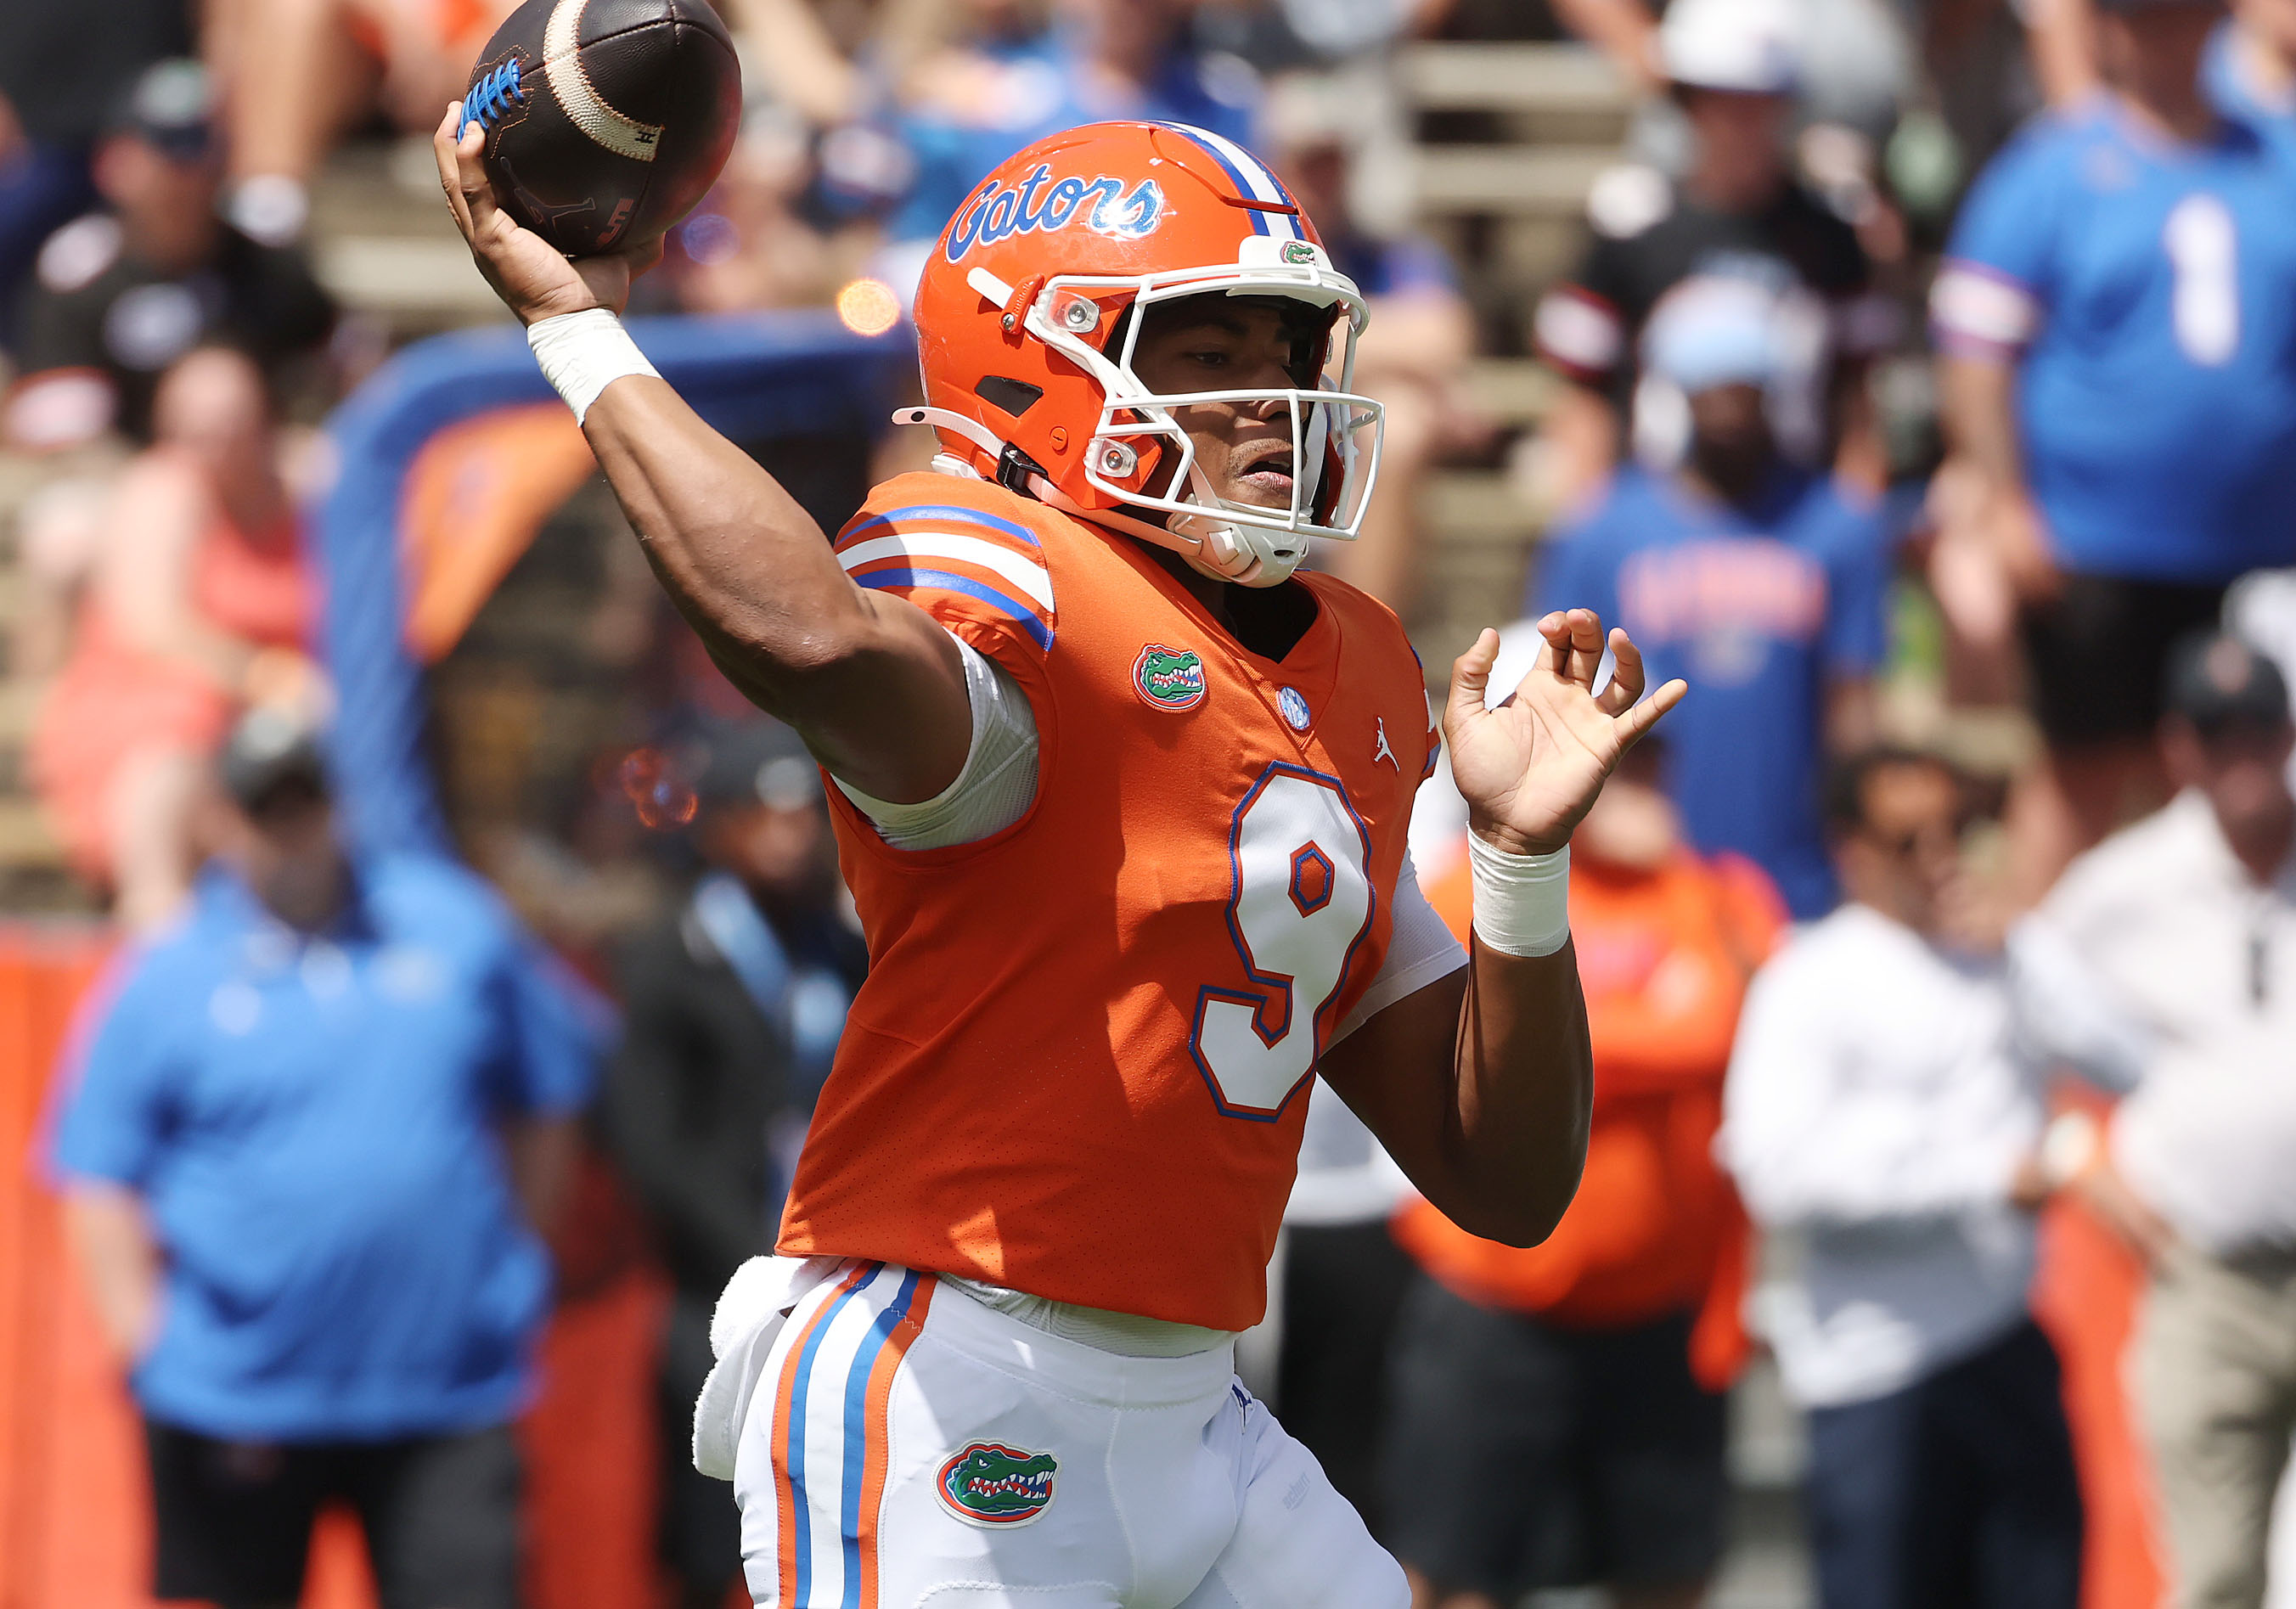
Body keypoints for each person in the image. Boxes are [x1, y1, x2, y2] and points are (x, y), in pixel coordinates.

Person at [436, 105, 1683, 1604]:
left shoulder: (1347, 670)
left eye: (1284, 356)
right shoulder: (996, 567)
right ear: (1035, 360)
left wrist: (1514, 863)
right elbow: (807, 636)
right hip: (944, 1368)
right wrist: (580, 336)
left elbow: (1500, 1178)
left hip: (1198, 1406)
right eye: (1206, 356)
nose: (1268, 402)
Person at [48, 708, 598, 1609]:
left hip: (445, 1382)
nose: (291, 828)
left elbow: (548, 1095)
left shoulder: (451, 923)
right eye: (266, 807)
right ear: (222, 820)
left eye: (307, 800)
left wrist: (519, 1259)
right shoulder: (167, 973)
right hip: (240, 1393)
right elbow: (100, 1169)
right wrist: (143, 1339)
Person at [1386, 734, 1781, 1609]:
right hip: (1492, 1300)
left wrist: (1564, 1041)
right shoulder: (1464, 885)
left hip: (1655, 1302)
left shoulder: (1714, 894)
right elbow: (1477, 1055)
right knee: (1454, 1574)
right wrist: (1634, 1034)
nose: (1634, 785)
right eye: (1615, 765)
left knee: (1668, 1572)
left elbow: (1727, 1028)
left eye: (1647, 765)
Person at [1927, 0, 2296, 901]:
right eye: (2142, 19)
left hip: (2257, 549)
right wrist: (2003, 500)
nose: (2161, 38)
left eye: (2181, 17)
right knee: (2081, 780)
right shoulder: (2052, 168)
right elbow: (1976, 355)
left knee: (2242, 788)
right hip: (2094, 542)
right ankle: (2029, 997)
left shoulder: (2276, 154)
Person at [1717, 747, 2084, 1609]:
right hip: (1872, 1377)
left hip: (2003, 1342)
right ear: (1851, 846)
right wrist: (1983, 1176)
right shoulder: (1808, 976)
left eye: (1956, 829)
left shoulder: (2000, 953)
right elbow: (1777, 1174)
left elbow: (2129, 1054)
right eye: (1907, 836)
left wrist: (2023, 940)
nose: (1940, 857)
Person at [2013, 633, 2296, 1609]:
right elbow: (2001, 1020)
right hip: (2205, 1273)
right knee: (2213, 1574)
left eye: (2259, 725)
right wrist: (2077, 1158)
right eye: (2217, 731)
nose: (2242, 750)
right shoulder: (2125, 886)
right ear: (2179, 747)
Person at [599, 719, 865, 1609]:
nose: (788, 836)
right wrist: (763, 1259)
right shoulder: (671, 956)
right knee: (712, 1528)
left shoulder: (841, 951)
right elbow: (650, 1144)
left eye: (805, 816)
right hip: (716, 1288)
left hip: (839, 1285)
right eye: (764, 813)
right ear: (719, 823)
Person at [1531, 276, 1892, 919]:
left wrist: (1865, 842)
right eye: (1712, 388)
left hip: (1801, 887)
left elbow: (1854, 708)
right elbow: (1557, 707)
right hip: (1648, 893)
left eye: (1745, 390)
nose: (1729, 410)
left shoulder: (1839, 525)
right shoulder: (1602, 531)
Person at [1531, 0, 1877, 509]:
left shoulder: (1831, 236)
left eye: (1761, 99)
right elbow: (1581, 401)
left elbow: (1857, 409)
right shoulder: (1630, 227)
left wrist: (1847, 532)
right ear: (1689, 103)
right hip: (1656, 533)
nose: (1744, 120)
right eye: (1723, 99)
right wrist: (1597, 535)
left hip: (1794, 527)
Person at [28, 346, 318, 930]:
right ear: (170, 423)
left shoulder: (304, 483)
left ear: (263, 415)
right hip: (149, 711)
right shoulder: (161, 490)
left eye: (232, 416)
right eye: (198, 419)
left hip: (281, 716)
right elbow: (154, 626)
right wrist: (267, 677)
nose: (216, 434)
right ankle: (156, 922)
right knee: (176, 749)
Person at [2, 59, 335, 452]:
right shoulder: (79, 271)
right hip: (119, 486)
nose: (186, 172)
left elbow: (346, 377)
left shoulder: (270, 263)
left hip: (258, 482)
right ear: (114, 164)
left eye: (202, 145)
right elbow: (59, 432)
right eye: (167, 149)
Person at [1260, 70, 1483, 619]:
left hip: (1341, 439)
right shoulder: (1251, 251)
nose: (1322, 177)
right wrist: (1367, 346)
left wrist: (1317, 346)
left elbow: (1445, 337)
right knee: (1398, 411)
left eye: (1333, 159)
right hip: (1262, 427)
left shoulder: (1387, 256)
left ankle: (1366, 634)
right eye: (1307, 160)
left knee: (1399, 422)